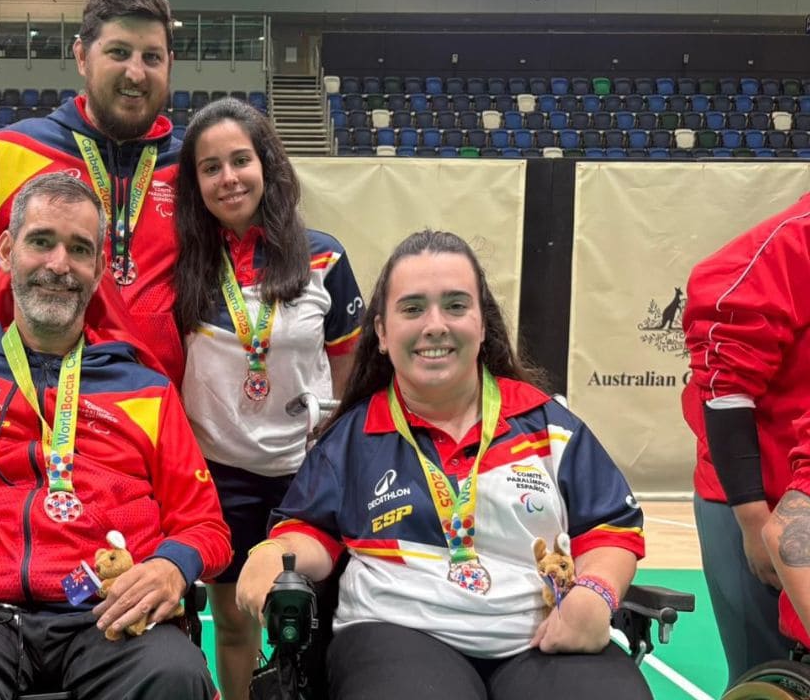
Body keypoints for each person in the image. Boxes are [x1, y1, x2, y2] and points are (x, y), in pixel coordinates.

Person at [0, 172, 231, 700]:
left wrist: (173, 565)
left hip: (111, 612)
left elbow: (205, 526)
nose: (59, 265)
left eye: (79, 249)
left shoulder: (148, 390)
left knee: (174, 673)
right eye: (42, 241)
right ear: (7, 251)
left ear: (99, 269)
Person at [234, 230, 649, 700]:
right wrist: (274, 552)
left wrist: (597, 592)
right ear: (383, 334)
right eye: (412, 309)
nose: (435, 325)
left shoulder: (548, 426)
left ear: (483, 324)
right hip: (397, 632)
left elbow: (611, 528)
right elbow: (313, 536)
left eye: (455, 306)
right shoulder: (352, 439)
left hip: (538, 635)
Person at [172, 98, 362, 700]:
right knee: (233, 623)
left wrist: (333, 445)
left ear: (267, 166)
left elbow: (349, 370)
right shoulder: (181, 266)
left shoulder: (325, 258)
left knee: (314, 621)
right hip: (218, 476)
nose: (228, 178)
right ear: (195, 182)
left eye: (240, 160)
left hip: (308, 478)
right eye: (210, 167)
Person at [0, 0, 188, 383]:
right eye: (118, 52)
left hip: (149, 401)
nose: (136, 72)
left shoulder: (190, 167)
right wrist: (6, 272)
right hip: (33, 394)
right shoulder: (15, 148)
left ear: (169, 63)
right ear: (82, 56)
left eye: (151, 57)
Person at [681, 198, 810, 681]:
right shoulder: (787, 245)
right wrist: (752, 520)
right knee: (765, 677)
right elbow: (725, 386)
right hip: (755, 495)